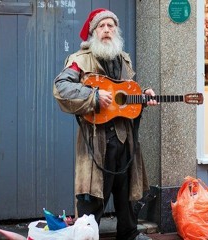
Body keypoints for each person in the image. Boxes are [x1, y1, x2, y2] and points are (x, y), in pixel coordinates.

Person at [53, 8, 157, 240]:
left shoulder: (124, 60)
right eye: (102, 26)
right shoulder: (79, 61)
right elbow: (61, 88)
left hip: (125, 140)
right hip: (96, 141)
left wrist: (144, 95)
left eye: (111, 25)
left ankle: (129, 235)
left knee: (126, 194)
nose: (107, 30)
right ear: (94, 32)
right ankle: (86, 237)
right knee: (93, 197)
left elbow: (129, 94)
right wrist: (93, 96)